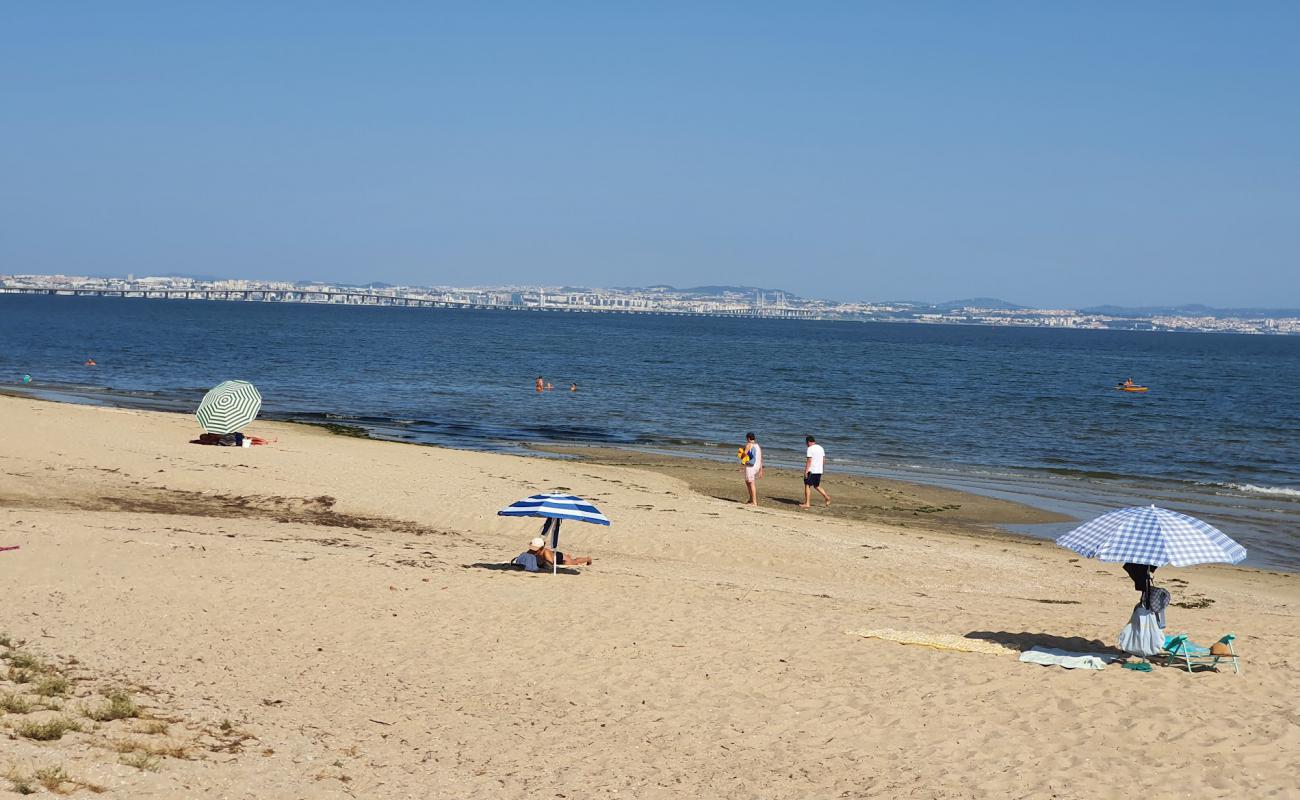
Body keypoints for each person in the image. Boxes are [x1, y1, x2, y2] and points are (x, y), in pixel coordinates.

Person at [512, 536, 592, 571]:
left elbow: (550, 563)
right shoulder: (533, 550)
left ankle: (587, 558)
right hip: (555, 555)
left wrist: (542, 563)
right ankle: (568, 556)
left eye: (536, 550)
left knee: (574, 562)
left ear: (541, 548)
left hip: (560, 559)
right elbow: (526, 556)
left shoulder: (546, 552)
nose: (533, 551)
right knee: (571, 559)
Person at [800, 435, 831, 508]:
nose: (806, 445)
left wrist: (806, 471)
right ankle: (827, 497)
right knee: (816, 486)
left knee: (807, 485)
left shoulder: (810, 449)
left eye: (806, 443)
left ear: (808, 442)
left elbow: (809, 461)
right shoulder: (821, 448)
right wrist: (822, 469)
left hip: (812, 470)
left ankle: (807, 503)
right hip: (819, 470)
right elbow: (823, 460)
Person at [741, 432, 763, 506]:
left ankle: (754, 501)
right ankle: (751, 499)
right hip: (757, 466)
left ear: (748, 438)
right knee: (748, 482)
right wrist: (761, 470)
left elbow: (744, 455)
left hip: (751, 466)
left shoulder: (749, 445)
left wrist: (741, 452)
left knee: (751, 483)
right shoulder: (758, 446)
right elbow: (760, 458)